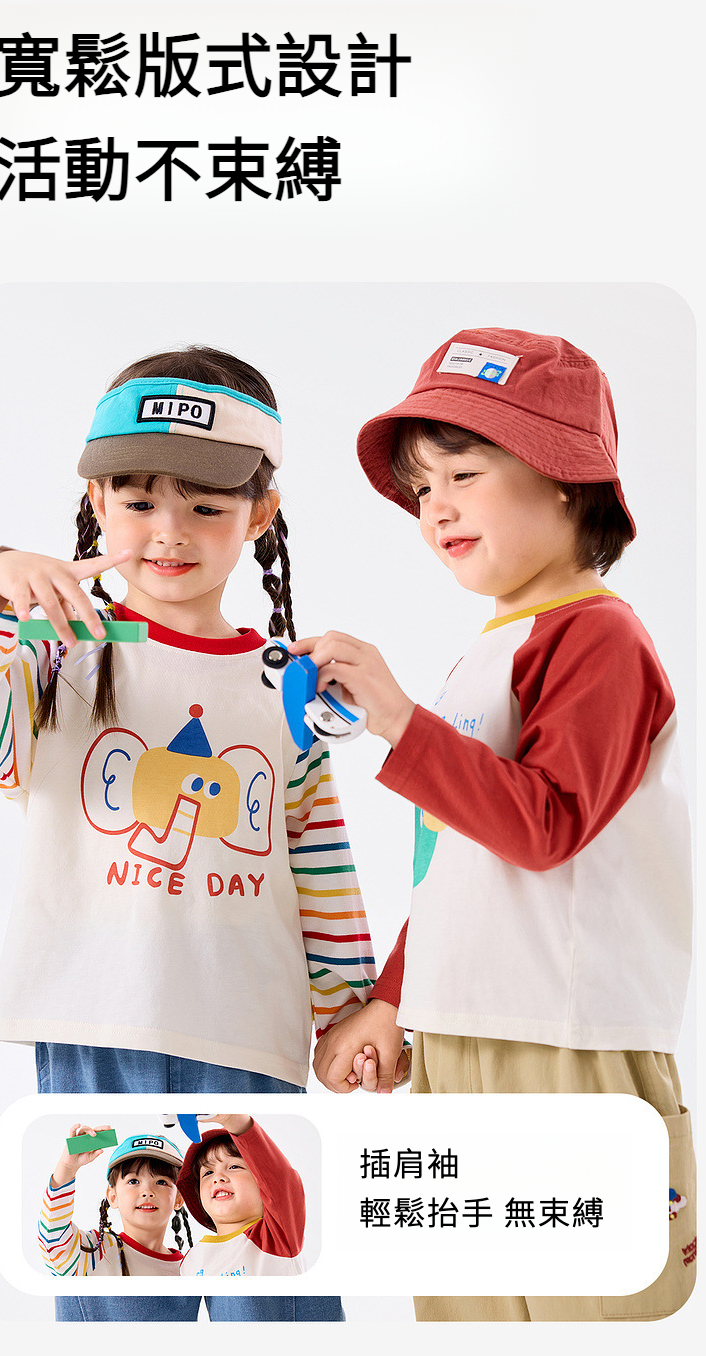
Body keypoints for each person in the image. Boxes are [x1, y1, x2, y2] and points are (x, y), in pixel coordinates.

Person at [0, 344, 376, 1321]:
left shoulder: (286, 682)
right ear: (96, 502)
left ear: (260, 514)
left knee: (271, 1307)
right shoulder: (58, 655)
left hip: (247, 1035)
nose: (168, 531)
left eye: (206, 505)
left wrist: (349, 1009)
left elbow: (318, 856)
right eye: (140, 499)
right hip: (92, 1024)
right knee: (121, 1306)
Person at [297, 328, 696, 1321]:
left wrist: (400, 721)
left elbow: (547, 825)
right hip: (461, 1033)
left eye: (465, 474)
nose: (435, 506)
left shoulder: (599, 636)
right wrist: (396, 1001)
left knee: (590, 1314)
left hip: (564, 1039)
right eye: (422, 487)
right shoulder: (487, 653)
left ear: (564, 479)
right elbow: (457, 865)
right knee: (468, 1320)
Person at [39, 1126, 190, 1280]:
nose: (147, 1191)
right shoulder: (95, 1253)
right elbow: (54, 1243)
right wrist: (67, 1168)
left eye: (161, 1182)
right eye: (133, 1181)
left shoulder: (189, 1269)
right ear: (113, 1197)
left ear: (179, 1198)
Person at [178, 1114, 307, 1278]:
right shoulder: (190, 1261)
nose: (218, 1177)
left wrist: (232, 1118)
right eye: (208, 1173)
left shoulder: (276, 1237)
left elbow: (281, 1179)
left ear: (263, 1184)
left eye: (234, 1167)